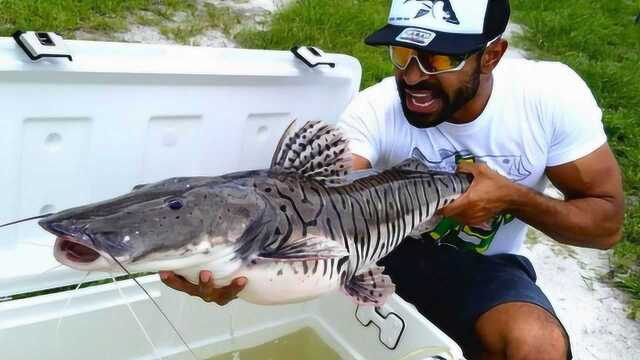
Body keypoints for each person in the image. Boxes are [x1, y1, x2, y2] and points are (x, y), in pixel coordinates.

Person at [160, 0, 624, 358]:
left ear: (492, 55)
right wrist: (230, 261)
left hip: (483, 269)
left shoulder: (549, 98)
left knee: (536, 347)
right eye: (403, 53)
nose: (412, 77)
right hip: (381, 249)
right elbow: (323, 196)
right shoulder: (375, 108)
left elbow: (605, 224)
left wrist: (513, 199)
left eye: (439, 59)